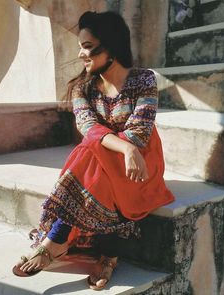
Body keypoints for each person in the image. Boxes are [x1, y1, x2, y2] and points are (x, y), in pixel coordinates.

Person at [12, 11, 175, 291]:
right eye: (80, 46)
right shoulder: (83, 89)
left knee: (90, 152)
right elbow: (88, 126)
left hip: (141, 168)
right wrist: (124, 147)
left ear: (111, 46)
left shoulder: (144, 80)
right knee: (91, 152)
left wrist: (128, 148)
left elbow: (140, 132)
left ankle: (55, 241)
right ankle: (107, 254)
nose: (80, 54)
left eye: (87, 46)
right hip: (116, 160)